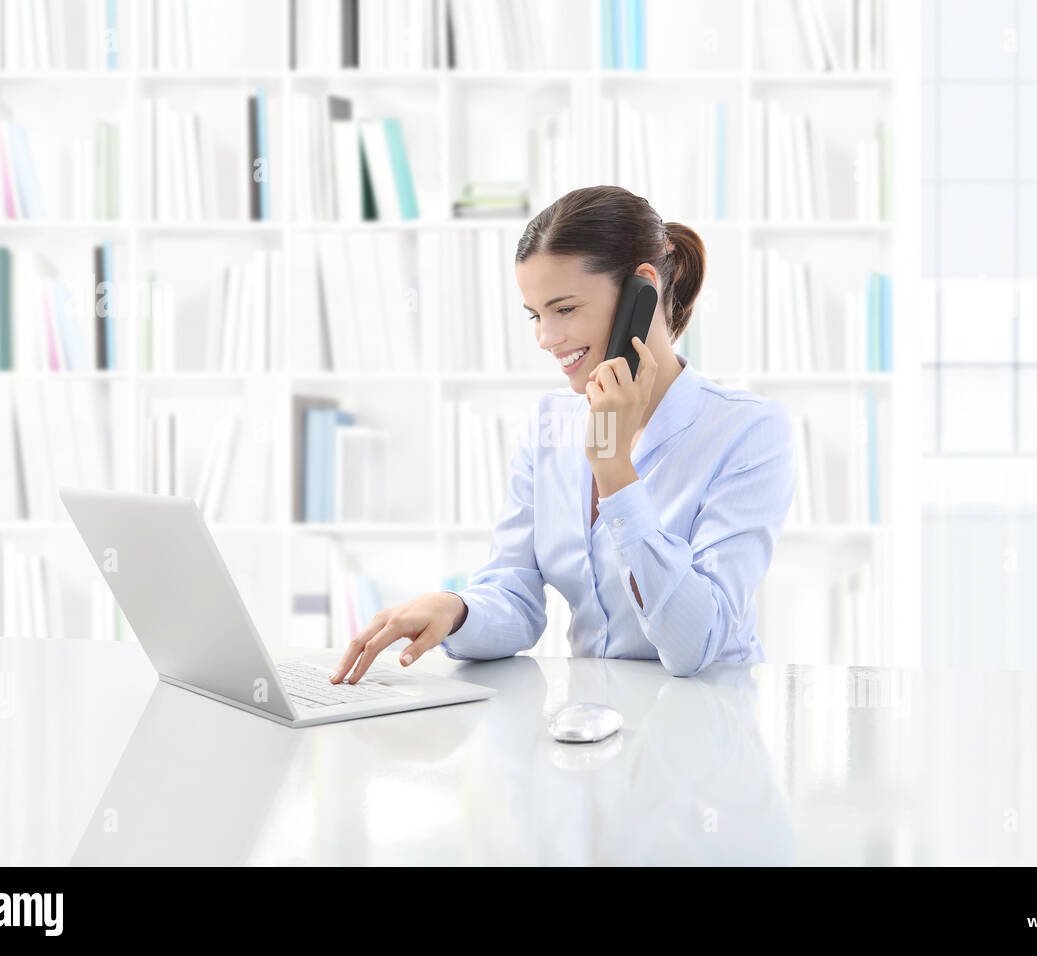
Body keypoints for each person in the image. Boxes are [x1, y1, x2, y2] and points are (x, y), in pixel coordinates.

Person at [332, 185, 796, 683]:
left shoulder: (748, 431)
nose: (546, 339)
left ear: (643, 290)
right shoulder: (550, 424)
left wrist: (613, 468)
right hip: (594, 726)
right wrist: (455, 610)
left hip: (707, 728)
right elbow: (516, 596)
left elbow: (695, 644)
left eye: (565, 309)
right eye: (536, 315)